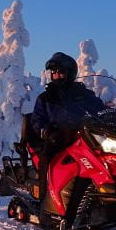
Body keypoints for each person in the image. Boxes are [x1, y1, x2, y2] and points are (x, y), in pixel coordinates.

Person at [30, 52, 106, 206]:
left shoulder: (83, 94)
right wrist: (46, 130)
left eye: (60, 72)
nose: (57, 75)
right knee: (48, 156)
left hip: (84, 136)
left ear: (70, 73)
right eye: (54, 72)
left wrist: (110, 116)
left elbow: (99, 108)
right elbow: (37, 119)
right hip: (58, 137)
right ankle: (44, 197)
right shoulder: (46, 97)